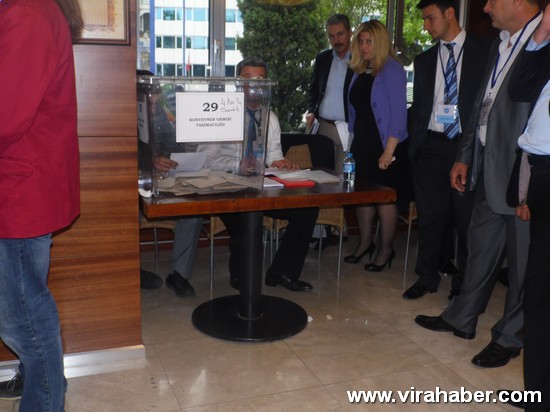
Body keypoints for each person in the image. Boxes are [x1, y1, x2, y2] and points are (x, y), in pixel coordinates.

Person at [415, 0, 541, 369]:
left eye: (492, 0)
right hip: (487, 166)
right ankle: (461, 317)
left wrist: (531, 181)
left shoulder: (542, 43)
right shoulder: (500, 44)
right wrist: (465, 155)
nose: (485, 7)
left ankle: (509, 336)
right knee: (479, 248)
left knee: (522, 264)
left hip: (524, 174)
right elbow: (480, 106)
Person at [0, 0, 83, 409]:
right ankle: (42, 386)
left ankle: (46, 401)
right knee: (24, 308)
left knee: (23, 319)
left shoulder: (28, 11)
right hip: (23, 185)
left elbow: (5, 116)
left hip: (19, 191)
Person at [198, 57, 319, 292]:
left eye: (260, 80)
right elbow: (206, 158)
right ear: (238, 82)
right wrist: (237, 165)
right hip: (228, 186)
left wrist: (281, 163)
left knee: (307, 209)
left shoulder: (270, 117)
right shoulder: (221, 114)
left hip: (262, 188)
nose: (254, 85)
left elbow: (273, 155)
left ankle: (282, 271)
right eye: (248, 79)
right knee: (248, 218)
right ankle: (242, 275)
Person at [403, 0, 491, 300]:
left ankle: (463, 285)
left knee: (465, 222)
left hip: (465, 148)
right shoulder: (425, 60)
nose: (425, 25)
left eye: (430, 18)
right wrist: (416, 146)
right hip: (430, 147)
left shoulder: (485, 51)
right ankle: (426, 277)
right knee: (430, 218)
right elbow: (419, 107)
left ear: (450, 13)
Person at [504, 7, 550, 411]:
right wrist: (543, 32)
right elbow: (518, 88)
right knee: (538, 291)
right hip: (539, 171)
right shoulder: (546, 46)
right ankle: (537, 391)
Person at [345, 20, 409, 272]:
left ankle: (385, 250)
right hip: (363, 143)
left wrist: (389, 152)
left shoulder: (392, 69)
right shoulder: (361, 69)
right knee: (363, 197)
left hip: (385, 145)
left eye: (368, 41)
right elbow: (356, 110)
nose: (363, 46)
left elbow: (399, 115)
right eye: (361, 41)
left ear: (380, 42)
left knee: (384, 199)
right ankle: (364, 244)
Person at [137, 70, 203, 297]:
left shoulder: (159, 114)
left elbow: (170, 142)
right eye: (150, 104)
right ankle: (128, 268)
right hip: (135, 187)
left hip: (164, 180)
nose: (153, 108)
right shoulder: (122, 117)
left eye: (156, 103)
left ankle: (179, 275)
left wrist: (171, 157)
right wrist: (150, 161)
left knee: (192, 210)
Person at [306, 14, 354, 173]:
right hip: (323, 127)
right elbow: (314, 89)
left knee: (343, 177)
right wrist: (311, 110)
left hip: (348, 129)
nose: (336, 40)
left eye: (340, 34)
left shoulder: (360, 59)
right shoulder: (323, 58)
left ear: (350, 32)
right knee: (321, 175)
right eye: (331, 36)